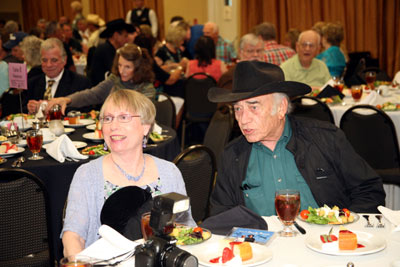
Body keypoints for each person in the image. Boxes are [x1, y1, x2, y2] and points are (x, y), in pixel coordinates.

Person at [207, 61, 385, 217]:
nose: (243, 119)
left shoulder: (325, 139)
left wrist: (344, 229)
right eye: (238, 109)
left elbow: (369, 190)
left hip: (326, 246)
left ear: (281, 108)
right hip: (266, 251)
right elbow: (221, 214)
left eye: (253, 107)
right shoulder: (232, 156)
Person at [61, 89, 196, 256]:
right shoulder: (87, 175)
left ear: (146, 126)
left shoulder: (169, 172)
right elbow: (72, 237)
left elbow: (186, 229)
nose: (113, 126)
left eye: (124, 118)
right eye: (108, 119)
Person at [44, 43, 155, 114]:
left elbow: (143, 116)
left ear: (139, 68)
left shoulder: (147, 89)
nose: (121, 71)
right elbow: (92, 94)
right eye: (120, 65)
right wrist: (67, 100)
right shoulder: (114, 79)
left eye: (127, 67)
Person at [26, 38, 91, 113]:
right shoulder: (32, 83)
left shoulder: (80, 83)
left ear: (64, 60)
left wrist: (53, 109)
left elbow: (86, 111)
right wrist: (29, 109)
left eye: (54, 60)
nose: (48, 65)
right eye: (44, 60)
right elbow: (20, 110)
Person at [88, 19, 134, 86]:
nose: (127, 39)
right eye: (125, 36)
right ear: (116, 35)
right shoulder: (104, 49)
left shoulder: (112, 49)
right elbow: (115, 72)